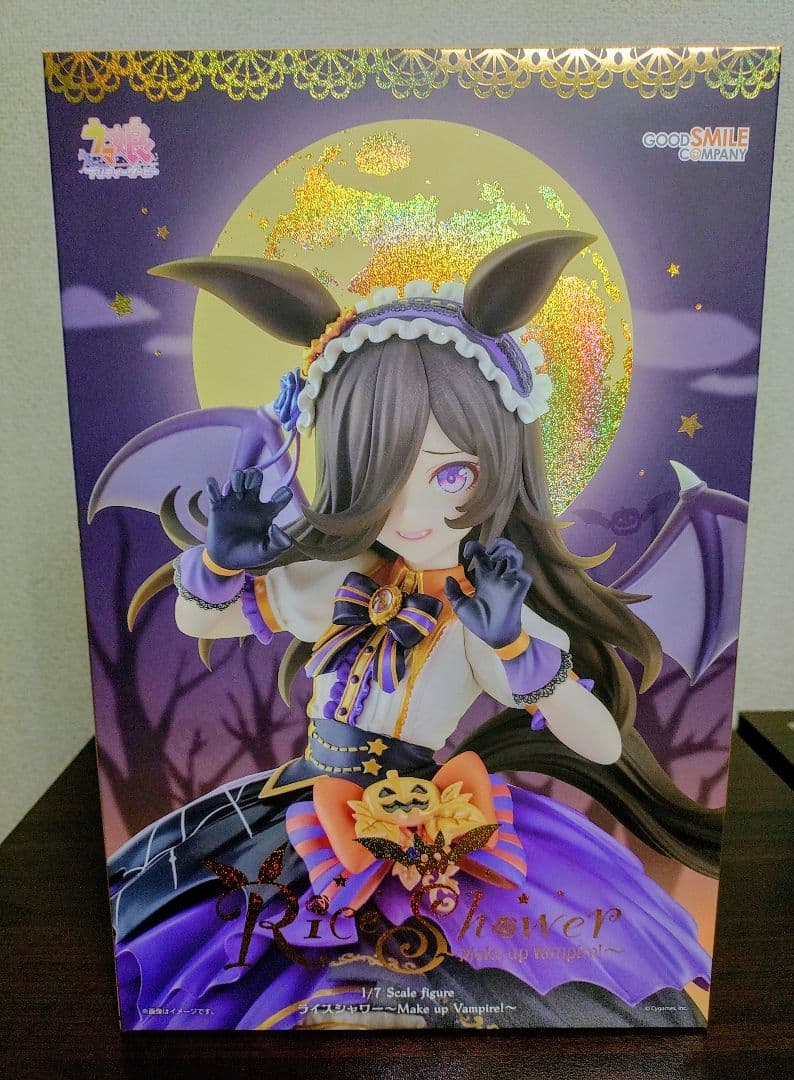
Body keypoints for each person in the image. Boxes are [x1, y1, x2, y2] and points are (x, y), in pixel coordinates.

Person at [107, 232, 714, 1030]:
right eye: (381, 475)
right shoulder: (338, 576)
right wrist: (220, 560)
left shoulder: (484, 608)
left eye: (451, 474)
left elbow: (599, 745)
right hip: (297, 807)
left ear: (501, 464)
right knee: (216, 960)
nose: (414, 513)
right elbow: (198, 617)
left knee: (416, 984)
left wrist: (509, 643)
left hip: (423, 823)